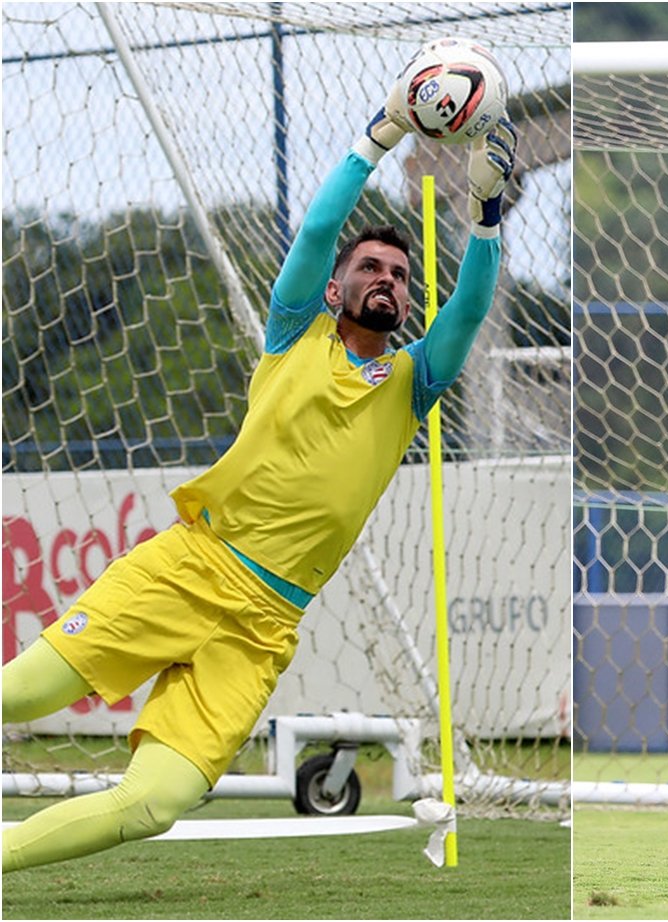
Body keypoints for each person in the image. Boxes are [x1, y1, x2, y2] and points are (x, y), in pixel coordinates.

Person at [2, 90, 517, 872]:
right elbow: (315, 232)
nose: (386, 279)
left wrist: (483, 216)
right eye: (368, 268)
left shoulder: (412, 381)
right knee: (18, 696)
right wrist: (377, 138)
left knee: (155, 803)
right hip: (188, 567)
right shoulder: (294, 333)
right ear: (336, 290)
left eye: (400, 275)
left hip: (263, 626)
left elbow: (472, 308)